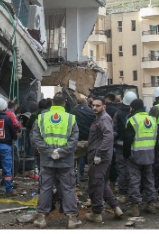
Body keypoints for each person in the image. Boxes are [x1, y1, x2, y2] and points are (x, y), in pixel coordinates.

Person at [31, 92, 82, 229]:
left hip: (47, 159)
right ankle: (71, 218)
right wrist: (61, 152)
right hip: (65, 160)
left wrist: (49, 152)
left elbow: (35, 138)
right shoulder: (71, 118)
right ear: (64, 103)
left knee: (45, 187)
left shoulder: (41, 118)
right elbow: (74, 139)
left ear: (52, 103)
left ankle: (41, 218)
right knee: (68, 187)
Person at [85, 97, 123, 223]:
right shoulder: (99, 118)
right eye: (93, 105)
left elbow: (108, 137)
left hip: (100, 158)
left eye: (98, 105)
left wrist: (98, 154)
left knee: (95, 184)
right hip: (101, 156)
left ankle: (96, 214)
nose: (95, 108)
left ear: (104, 107)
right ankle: (116, 207)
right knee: (102, 183)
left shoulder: (103, 118)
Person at [123, 99, 158, 217]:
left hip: (135, 155)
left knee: (134, 180)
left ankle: (135, 207)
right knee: (149, 179)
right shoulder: (153, 120)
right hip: (149, 154)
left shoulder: (132, 120)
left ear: (132, 108)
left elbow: (128, 140)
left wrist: (126, 154)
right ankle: (151, 204)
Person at [113, 91, 136, 202]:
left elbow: (114, 130)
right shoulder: (139, 114)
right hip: (135, 146)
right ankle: (134, 192)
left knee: (122, 169)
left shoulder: (118, 113)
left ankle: (123, 193)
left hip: (120, 145)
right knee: (134, 170)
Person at [70, 96, 94, 182]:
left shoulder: (73, 112)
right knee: (84, 156)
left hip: (77, 139)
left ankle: (73, 176)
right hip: (88, 138)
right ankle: (82, 174)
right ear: (86, 102)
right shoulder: (91, 111)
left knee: (74, 158)